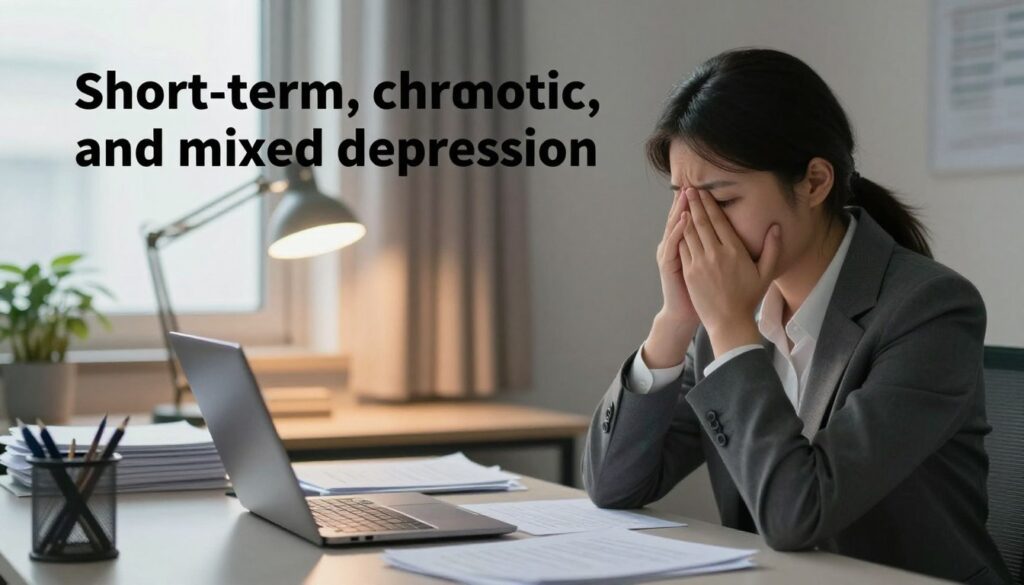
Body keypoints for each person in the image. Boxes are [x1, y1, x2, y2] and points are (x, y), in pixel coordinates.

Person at [581, 47, 1011, 584]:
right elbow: (613, 484)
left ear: (813, 182)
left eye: (722, 198)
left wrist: (734, 332)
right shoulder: (726, 316)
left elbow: (796, 515)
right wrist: (674, 320)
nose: (695, 225)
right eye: (682, 200)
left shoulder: (932, 311)